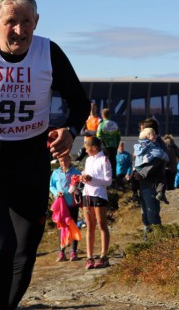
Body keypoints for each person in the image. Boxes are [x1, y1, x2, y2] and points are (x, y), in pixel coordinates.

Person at [0, 0, 90, 309]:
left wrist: (70, 130)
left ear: (37, 21)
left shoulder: (49, 52)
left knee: (25, 250)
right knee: (2, 244)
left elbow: (80, 102)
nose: (19, 31)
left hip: (29, 160)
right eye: (11, 22)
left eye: (26, 22)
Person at [128, 123, 168, 238]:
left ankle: (156, 240)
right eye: (151, 134)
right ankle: (149, 240)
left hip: (151, 185)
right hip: (142, 185)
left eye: (154, 133)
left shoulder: (157, 149)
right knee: (145, 215)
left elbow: (159, 163)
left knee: (151, 215)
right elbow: (136, 164)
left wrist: (141, 173)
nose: (154, 135)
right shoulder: (140, 148)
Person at [81, 137, 112, 270]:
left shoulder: (104, 160)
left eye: (87, 148)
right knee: (90, 226)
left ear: (94, 148)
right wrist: (82, 178)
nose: (86, 151)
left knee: (101, 224)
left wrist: (92, 179)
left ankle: (104, 256)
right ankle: (89, 257)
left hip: (99, 195)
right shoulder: (88, 160)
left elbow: (108, 181)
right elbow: (87, 177)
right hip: (87, 194)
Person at [49, 155, 82, 262]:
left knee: (73, 226)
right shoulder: (55, 173)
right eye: (61, 161)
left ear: (70, 159)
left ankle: (73, 251)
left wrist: (77, 189)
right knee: (62, 226)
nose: (64, 163)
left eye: (66, 160)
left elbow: (81, 186)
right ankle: (62, 251)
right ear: (59, 161)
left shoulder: (76, 172)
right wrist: (55, 192)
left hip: (72, 204)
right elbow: (51, 186)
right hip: (61, 204)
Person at [133, 127, 169, 202]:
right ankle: (161, 192)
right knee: (159, 162)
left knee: (161, 173)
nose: (155, 135)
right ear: (147, 136)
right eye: (153, 134)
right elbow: (160, 154)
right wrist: (166, 157)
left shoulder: (139, 145)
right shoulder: (150, 145)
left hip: (141, 167)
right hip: (145, 167)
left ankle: (135, 193)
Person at [96, 108, 121, 181]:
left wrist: (101, 145)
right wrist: (116, 145)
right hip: (114, 146)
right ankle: (114, 176)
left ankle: (105, 176)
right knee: (113, 161)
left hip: (105, 146)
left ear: (102, 115)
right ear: (109, 115)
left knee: (104, 161)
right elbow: (118, 136)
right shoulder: (115, 124)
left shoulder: (101, 124)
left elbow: (98, 136)